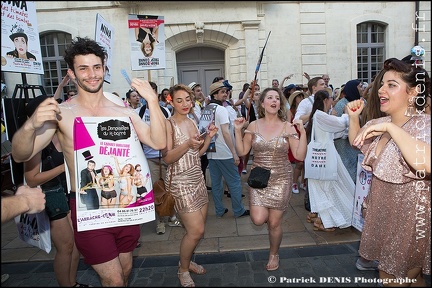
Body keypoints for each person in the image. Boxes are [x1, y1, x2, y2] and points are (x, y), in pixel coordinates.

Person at [11, 36, 166, 286]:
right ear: (72, 73)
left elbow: (158, 142)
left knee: (124, 271)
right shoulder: (63, 113)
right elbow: (20, 155)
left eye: (96, 67)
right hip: (88, 207)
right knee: (114, 279)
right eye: (83, 68)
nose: (92, 74)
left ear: (104, 68)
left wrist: (153, 102)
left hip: (125, 205)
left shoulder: (123, 111)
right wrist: (31, 125)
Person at [348, 58, 430, 286]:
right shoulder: (381, 122)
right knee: (414, 279)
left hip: (411, 219)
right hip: (383, 213)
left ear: (414, 92)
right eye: (382, 84)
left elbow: (425, 164)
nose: (381, 90)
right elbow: (358, 142)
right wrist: (354, 118)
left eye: (391, 85)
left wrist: (392, 129)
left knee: (392, 279)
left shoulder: (424, 124)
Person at [234, 87, 306, 271]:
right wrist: (237, 130)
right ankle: (269, 214)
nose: (274, 101)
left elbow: (299, 155)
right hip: (259, 178)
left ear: (280, 104)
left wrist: (302, 133)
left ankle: (274, 253)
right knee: (258, 219)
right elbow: (242, 152)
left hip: (281, 178)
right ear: (263, 103)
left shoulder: (287, 126)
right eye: (270, 98)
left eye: (277, 98)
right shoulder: (253, 125)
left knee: (274, 223)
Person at [23, 95, 88, 287]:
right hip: (51, 197)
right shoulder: (35, 141)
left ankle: (72, 282)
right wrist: (63, 168)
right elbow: (31, 179)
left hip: (71, 194)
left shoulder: (63, 132)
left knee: (75, 245)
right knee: (65, 246)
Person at [161, 84, 218, 287]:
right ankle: (183, 269)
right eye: (179, 100)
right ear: (171, 101)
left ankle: (186, 260)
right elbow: (167, 158)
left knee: (198, 231)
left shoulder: (193, 121)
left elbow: (198, 152)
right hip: (180, 183)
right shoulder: (168, 125)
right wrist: (187, 144)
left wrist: (209, 137)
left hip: (197, 179)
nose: (185, 104)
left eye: (187, 99)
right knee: (195, 231)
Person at [304, 89, 355, 232]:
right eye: (331, 98)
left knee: (326, 187)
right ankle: (326, 220)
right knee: (329, 187)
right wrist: (347, 113)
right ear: (326, 100)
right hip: (326, 158)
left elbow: (337, 131)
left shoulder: (319, 115)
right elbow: (340, 124)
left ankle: (325, 219)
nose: (333, 101)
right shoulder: (320, 115)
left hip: (322, 157)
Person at [135, 94, 181, 235]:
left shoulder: (165, 111)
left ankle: (171, 216)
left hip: (166, 157)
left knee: (170, 189)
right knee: (157, 191)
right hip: (150, 158)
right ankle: (160, 222)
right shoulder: (139, 113)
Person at [205, 81, 249, 218]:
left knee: (217, 184)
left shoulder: (206, 109)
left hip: (211, 153)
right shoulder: (221, 109)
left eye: (226, 91)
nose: (225, 94)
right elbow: (226, 132)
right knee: (234, 182)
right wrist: (234, 153)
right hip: (224, 152)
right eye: (222, 92)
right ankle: (238, 210)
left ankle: (219, 210)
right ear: (214, 94)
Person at [333, 79, 363, 183]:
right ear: (353, 88)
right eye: (359, 86)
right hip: (344, 145)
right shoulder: (341, 104)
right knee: (347, 172)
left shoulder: (363, 102)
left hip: (358, 144)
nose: (362, 88)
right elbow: (337, 125)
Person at [287, 90, 306, 193]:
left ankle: (303, 182)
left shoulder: (306, 110)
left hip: (303, 136)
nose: (301, 99)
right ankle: (294, 182)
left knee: (304, 162)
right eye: (299, 97)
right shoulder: (290, 111)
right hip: (294, 137)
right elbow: (288, 124)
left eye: (302, 97)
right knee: (298, 163)